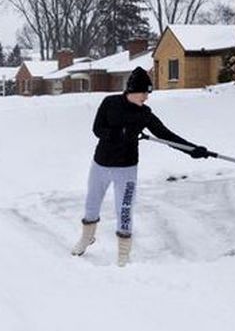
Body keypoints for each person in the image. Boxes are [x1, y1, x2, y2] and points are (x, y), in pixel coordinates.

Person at [71, 66, 209, 266]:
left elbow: (166, 135)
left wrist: (193, 150)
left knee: (124, 209)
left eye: (148, 93)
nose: (146, 97)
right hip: (101, 164)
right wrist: (118, 134)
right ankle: (87, 237)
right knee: (91, 204)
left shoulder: (144, 114)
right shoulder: (110, 103)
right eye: (144, 92)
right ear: (132, 90)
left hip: (126, 168)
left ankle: (123, 253)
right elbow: (97, 128)